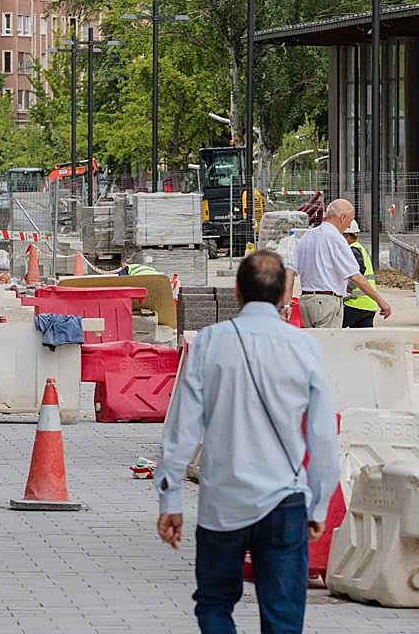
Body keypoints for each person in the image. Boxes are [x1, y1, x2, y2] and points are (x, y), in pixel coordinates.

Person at [156, 250, 339, 634]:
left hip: (222, 502)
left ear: (237, 291)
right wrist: (318, 505)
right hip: (285, 502)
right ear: (284, 295)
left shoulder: (209, 343)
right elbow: (322, 437)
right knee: (284, 615)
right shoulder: (304, 348)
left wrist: (170, 500)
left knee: (214, 603)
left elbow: (182, 429)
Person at [283, 198, 391, 328]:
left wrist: (286, 303)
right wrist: (381, 301)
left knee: (315, 345)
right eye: (349, 221)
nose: (347, 226)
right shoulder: (336, 239)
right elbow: (355, 276)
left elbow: (289, 271)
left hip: (306, 302)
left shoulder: (307, 236)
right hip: (327, 303)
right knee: (330, 345)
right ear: (343, 217)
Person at [341, 219, 379, 328]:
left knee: (333, 332)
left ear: (346, 236)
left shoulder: (352, 250)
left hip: (354, 304)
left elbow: (357, 273)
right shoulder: (359, 248)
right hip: (367, 304)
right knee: (361, 341)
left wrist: (348, 288)